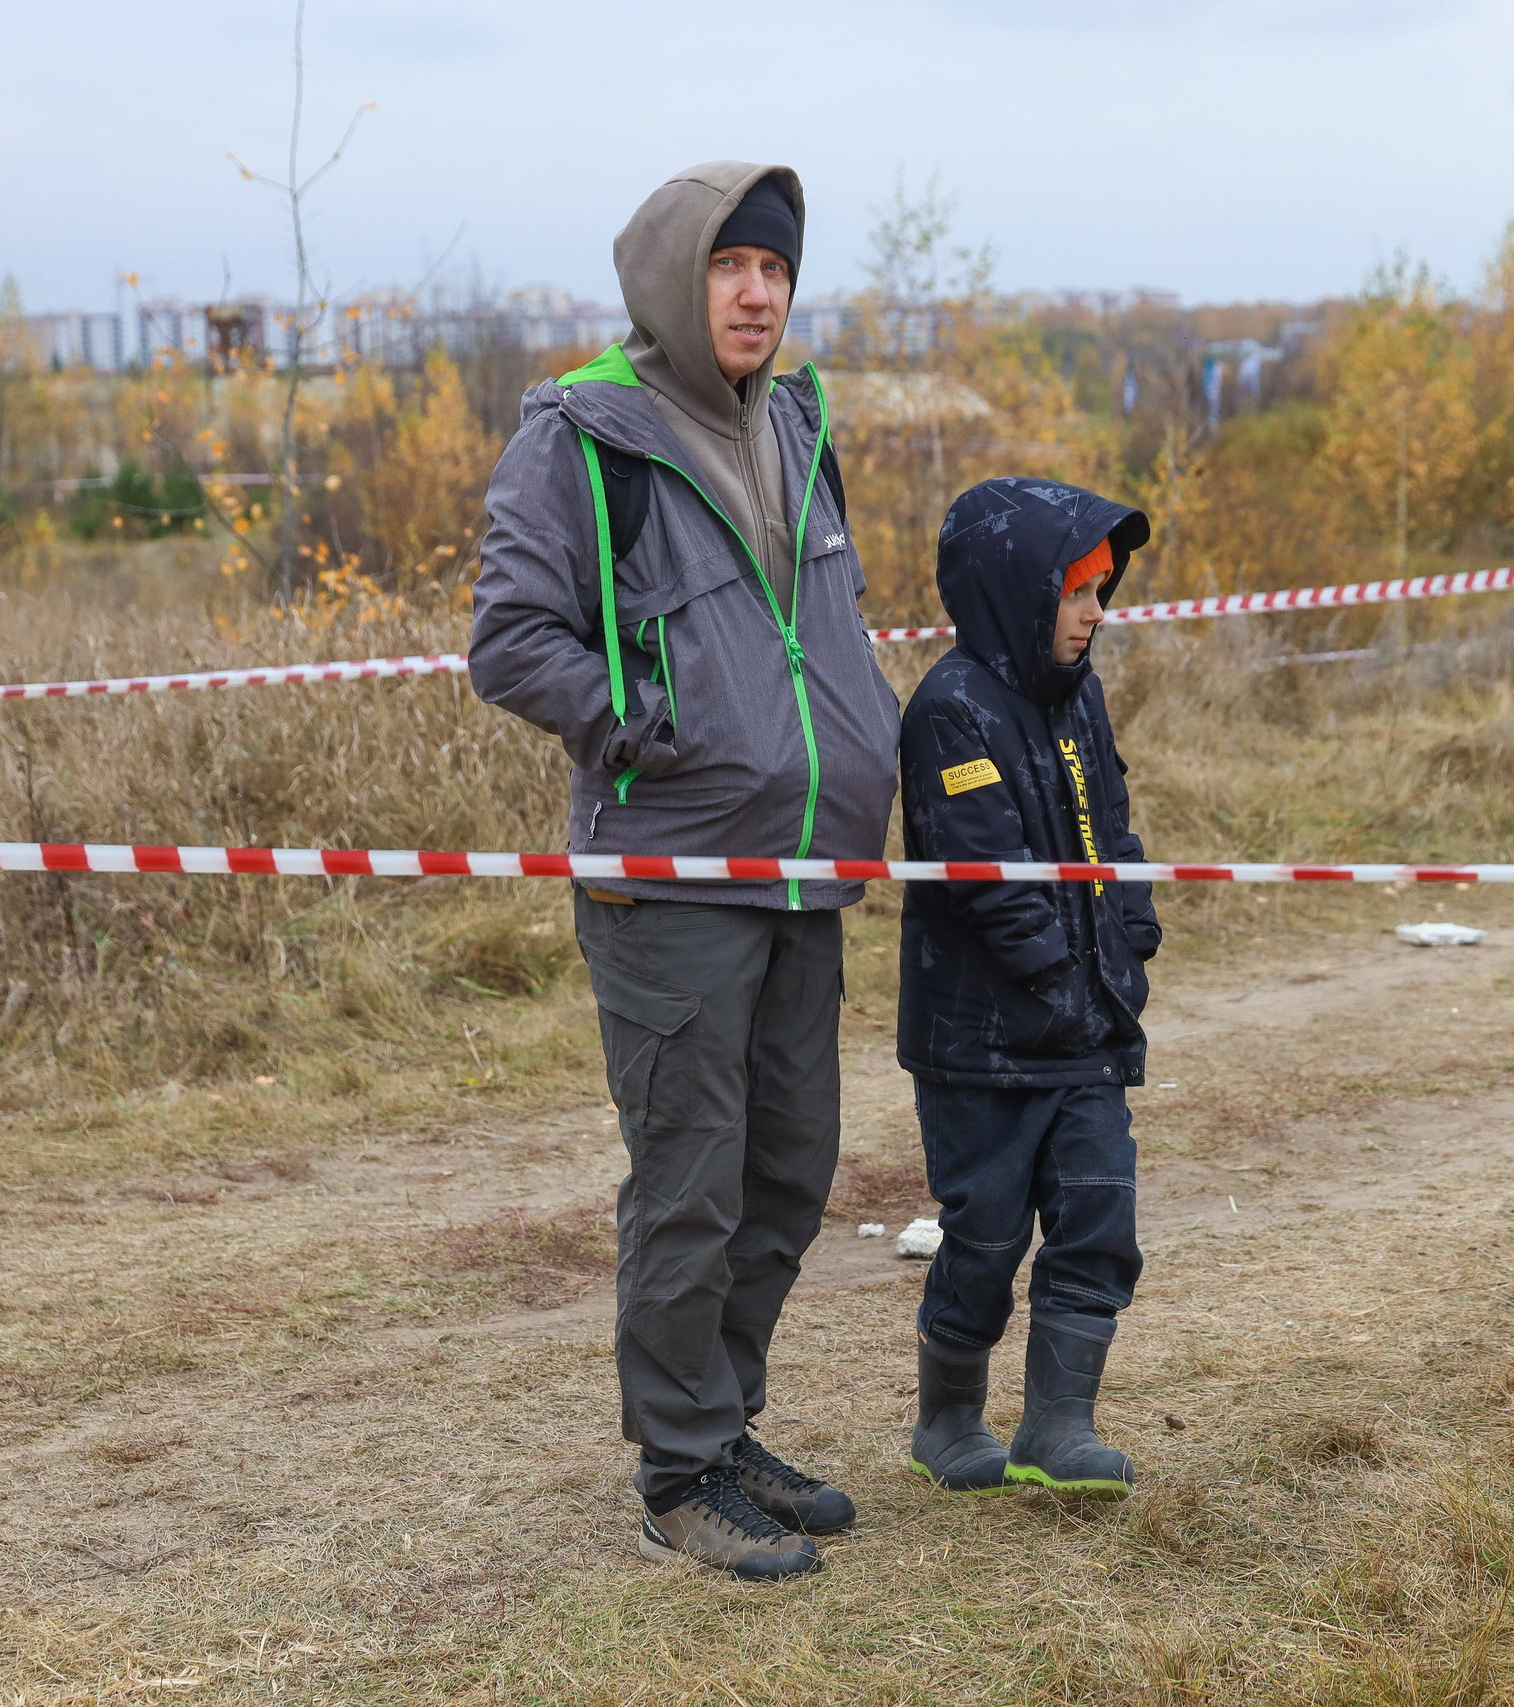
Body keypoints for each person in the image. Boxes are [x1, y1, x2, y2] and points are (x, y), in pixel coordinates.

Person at [468, 162, 902, 1580]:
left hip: (803, 874)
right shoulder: (586, 436)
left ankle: (724, 1427)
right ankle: (675, 1471)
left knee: (789, 1169)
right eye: (730, 266)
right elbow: (511, 637)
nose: (758, 291)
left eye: (775, 268)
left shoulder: (797, 421)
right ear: (674, 276)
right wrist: (638, 724)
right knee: (690, 1181)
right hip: (670, 878)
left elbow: (819, 627)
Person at [893, 477, 1160, 1499]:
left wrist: (1130, 937)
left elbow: (1117, 825)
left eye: (1105, 590)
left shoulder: (1080, 692)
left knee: (1100, 1219)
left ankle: (1058, 1424)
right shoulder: (950, 710)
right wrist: (1061, 980)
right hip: (983, 1047)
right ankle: (946, 1418)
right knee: (988, 1238)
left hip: (1088, 1029)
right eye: (1080, 592)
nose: (1098, 614)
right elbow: (988, 882)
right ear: (1016, 590)